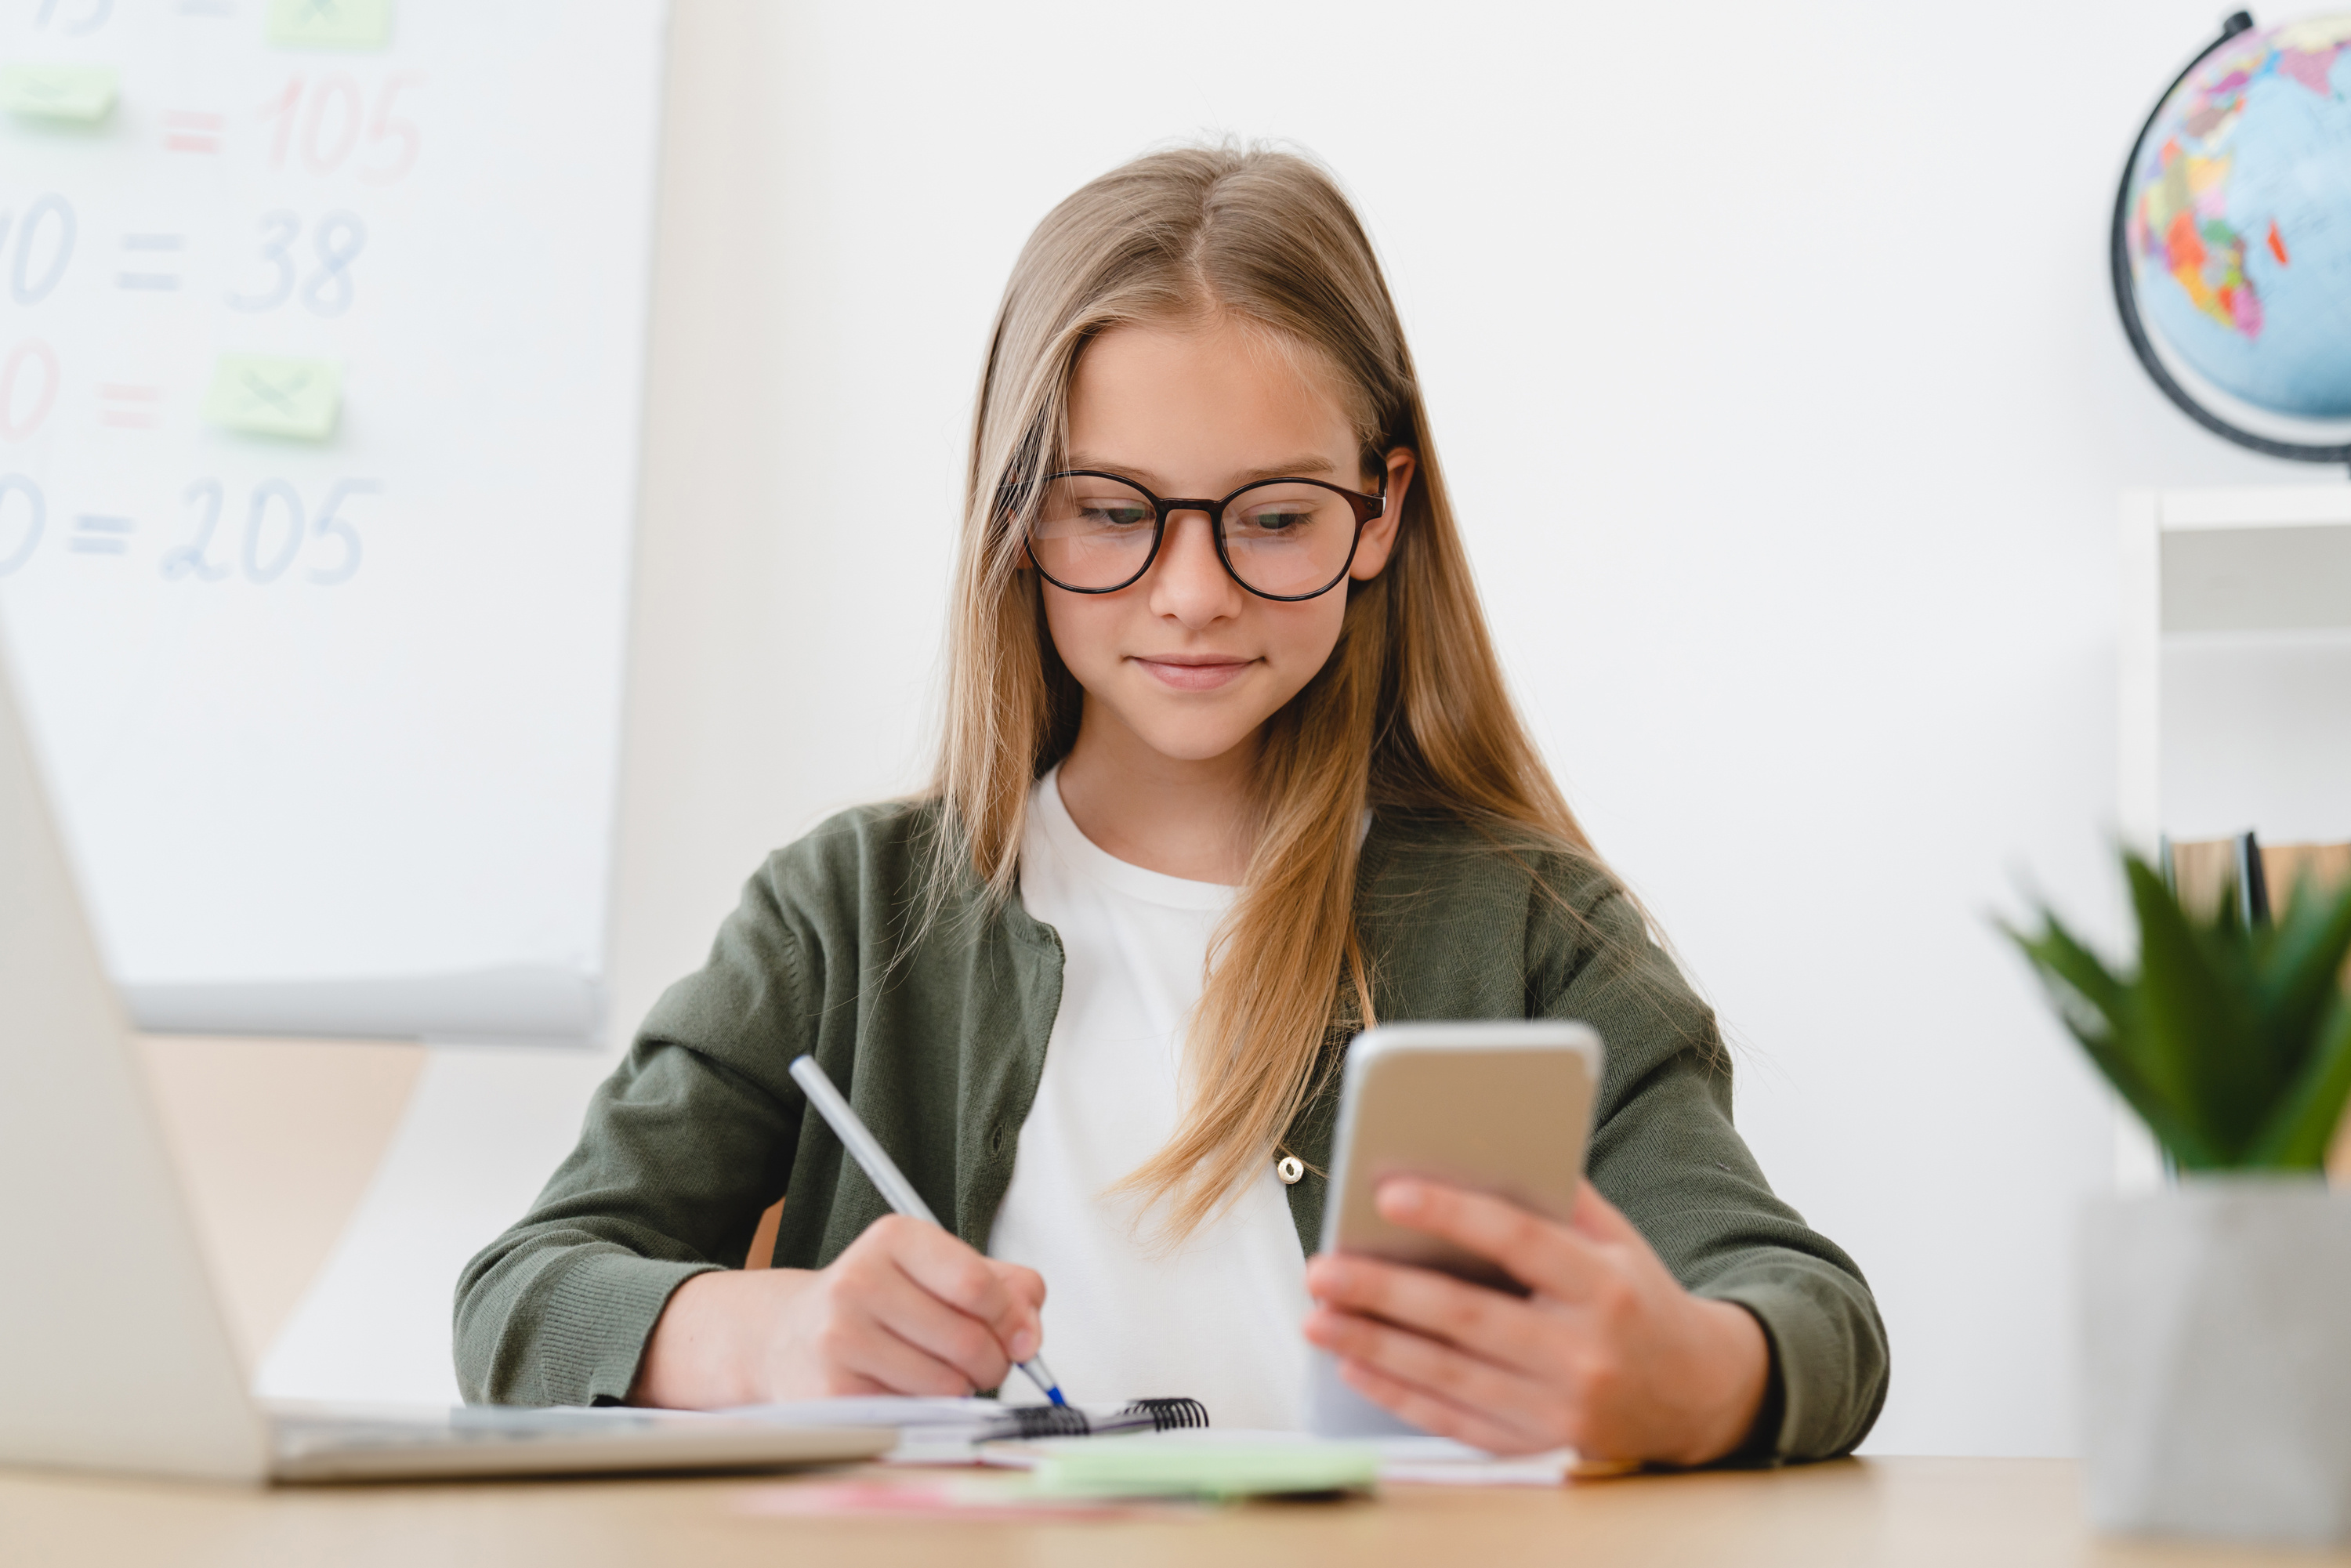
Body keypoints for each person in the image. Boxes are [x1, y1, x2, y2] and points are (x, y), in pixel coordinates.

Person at [455, 144, 1888, 1465]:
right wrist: (770, 1339)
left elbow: (1809, 1309)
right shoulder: (848, 913)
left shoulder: (1528, 926)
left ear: (1379, 513)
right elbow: (520, 1301)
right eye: (1111, 510)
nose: (1192, 592)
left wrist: (1690, 1373)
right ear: (1016, 509)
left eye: (1273, 516)